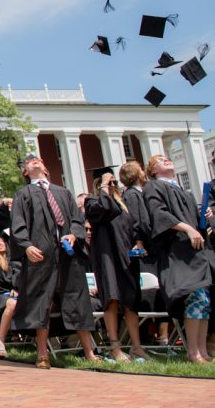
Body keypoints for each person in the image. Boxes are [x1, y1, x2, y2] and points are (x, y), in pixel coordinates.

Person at [10, 154, 97, 368]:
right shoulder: (23, 194)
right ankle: (42, 354)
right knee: (42, 302)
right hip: (40, 256)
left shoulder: (63, 192)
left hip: (67, 255)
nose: (34, 161)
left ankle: (90, 352)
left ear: (46, 168)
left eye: (38, 159)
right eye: (29, 162)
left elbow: (77, 219)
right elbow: (17, 225)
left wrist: (74, 235)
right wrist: (27, 246)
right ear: (25, 172)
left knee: (77, 299)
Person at [143, 154, 214, 363]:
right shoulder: (154, 187)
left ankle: (203, 351)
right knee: (195, 298)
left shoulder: (184, 191)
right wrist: (188, 229)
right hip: (178, 254)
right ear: (153, 171)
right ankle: (193, 352)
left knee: (204, 301)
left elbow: (196, 222)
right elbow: (159, 214)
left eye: (167, 157)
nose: (166, 159)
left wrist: (204, 216)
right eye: (159, 160)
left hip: (195, 253)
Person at [84, 168, 150, 362]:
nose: (113, 186)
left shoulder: (124, 204)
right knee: (111, 299)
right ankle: (115, 348)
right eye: (108, 182)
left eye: (114, 182)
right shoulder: (93, 202)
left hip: (126, 257)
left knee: (130, 301)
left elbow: (135, 227)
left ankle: (136, 347)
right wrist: (104, 188)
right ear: (99, 185)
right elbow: (103, 210)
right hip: (107, 258)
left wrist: (138, 244)